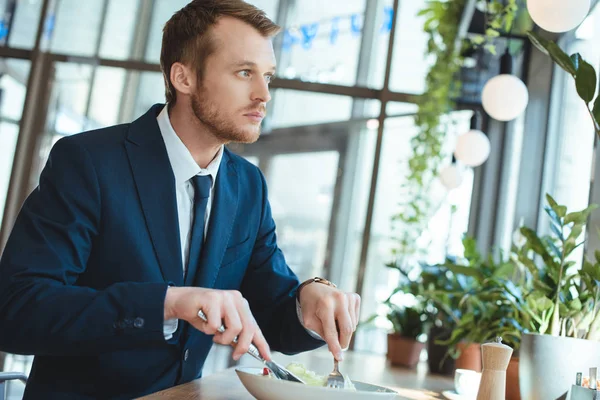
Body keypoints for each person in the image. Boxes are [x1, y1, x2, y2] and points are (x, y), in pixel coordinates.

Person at [0, 1, 361, 399]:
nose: (263, 94)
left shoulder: (248, 186)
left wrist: (309, 302)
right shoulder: (89, 162)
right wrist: (168, 304)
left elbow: (272, 312)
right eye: (244, 73)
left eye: (268, 76)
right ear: (183, 77)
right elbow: (18, 309)